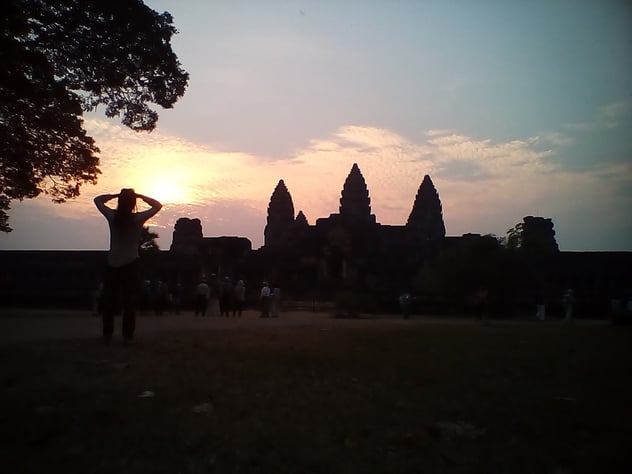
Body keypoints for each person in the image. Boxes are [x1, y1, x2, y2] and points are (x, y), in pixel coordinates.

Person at [94, 189, 162, 344]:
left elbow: (98, 200)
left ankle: (107, 334)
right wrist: (141, 197)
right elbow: (157, 206)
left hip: (112, 263)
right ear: (133, 203)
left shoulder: (112, 216)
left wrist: (114, 196)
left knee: (109, 302)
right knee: (129, 302)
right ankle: (127, 336)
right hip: (131, 263)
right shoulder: (137, 219)